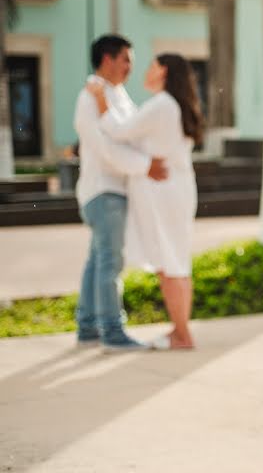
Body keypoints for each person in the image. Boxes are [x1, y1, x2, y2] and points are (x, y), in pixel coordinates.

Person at [87, 53, 203, 350]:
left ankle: (181, 334)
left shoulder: (162, 105)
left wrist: (101, 98)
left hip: (162, 192)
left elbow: (119, 131)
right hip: (175, 189)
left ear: (163, 70)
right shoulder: (174, 105)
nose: (143, 70)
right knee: (177, 261)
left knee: (170, 263)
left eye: (151, 65)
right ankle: (181, 331)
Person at [74, 34, 168, 352]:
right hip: (104, 191)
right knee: (110, 263)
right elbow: (107, 150)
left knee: (97, 260)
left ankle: (87, 327)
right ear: (107, 59)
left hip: (112, 191)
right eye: (126, 58)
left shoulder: (114, 94)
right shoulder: (90, 97)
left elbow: (130, 133)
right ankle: (112, 332)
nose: (130, 66)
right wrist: (146, 166)